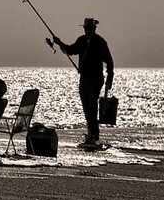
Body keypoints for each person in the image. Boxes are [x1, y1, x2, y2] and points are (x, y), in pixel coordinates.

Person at [46, 17, 114, 145]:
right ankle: (91, 134)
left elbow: (109, 61)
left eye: (89, 28)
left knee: (92, 106)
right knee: (86, 107)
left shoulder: (100, 42)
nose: (87, 30)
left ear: (94, 28)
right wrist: (59, 43)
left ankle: (94, 135)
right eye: (86, 28)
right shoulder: (81, 40)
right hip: (84, 78)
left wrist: (110, 79)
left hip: (96, 79)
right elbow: (70, 50)